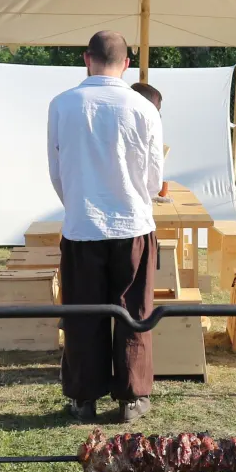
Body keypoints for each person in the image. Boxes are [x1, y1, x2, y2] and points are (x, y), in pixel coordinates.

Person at [48, 31, 165, 424]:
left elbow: (57, 172)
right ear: (127, 64)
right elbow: (153, 178)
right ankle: (132, 397)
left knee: (83, 314)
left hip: (83, 226)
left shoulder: (61, 105)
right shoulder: (144, 107)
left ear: (87, 58)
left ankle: (84, 397)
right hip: (132, 224)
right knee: (133, 311)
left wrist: (80, 204)